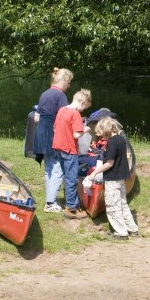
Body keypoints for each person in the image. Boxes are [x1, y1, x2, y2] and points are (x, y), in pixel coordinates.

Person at [89, 116, 138, 240]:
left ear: (106, 130)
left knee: (112, 206)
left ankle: (121, 233)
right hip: (121, 179)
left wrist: (94, 173)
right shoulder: (122, 139)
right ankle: (133, 229)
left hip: (112, 179)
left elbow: (109, 163)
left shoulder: (112, 143)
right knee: (123, 204)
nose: (102, 138)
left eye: (102, 134)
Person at [33, 68, 73, 212]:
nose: (69, 86)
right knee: (56, 168)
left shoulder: (45, 94)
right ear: (64, 81)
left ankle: (50, 200)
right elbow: (65, 118)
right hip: (52, 135)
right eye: (69, 82)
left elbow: (36, 117)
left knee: (49, 168)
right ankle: (50, 203)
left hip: (41, 133)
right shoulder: (60, 95)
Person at [52, 89, 92, 219]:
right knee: (72, 178)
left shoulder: (61, 110)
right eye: (84, 107)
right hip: (69, 150)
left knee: (66, 176)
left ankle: (72, 202)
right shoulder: (75, 114)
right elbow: (76, 134)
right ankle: (71, 208)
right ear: (82, 102)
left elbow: (55, 128)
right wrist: (86, 129)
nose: (82, 110)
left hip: (58, 147)